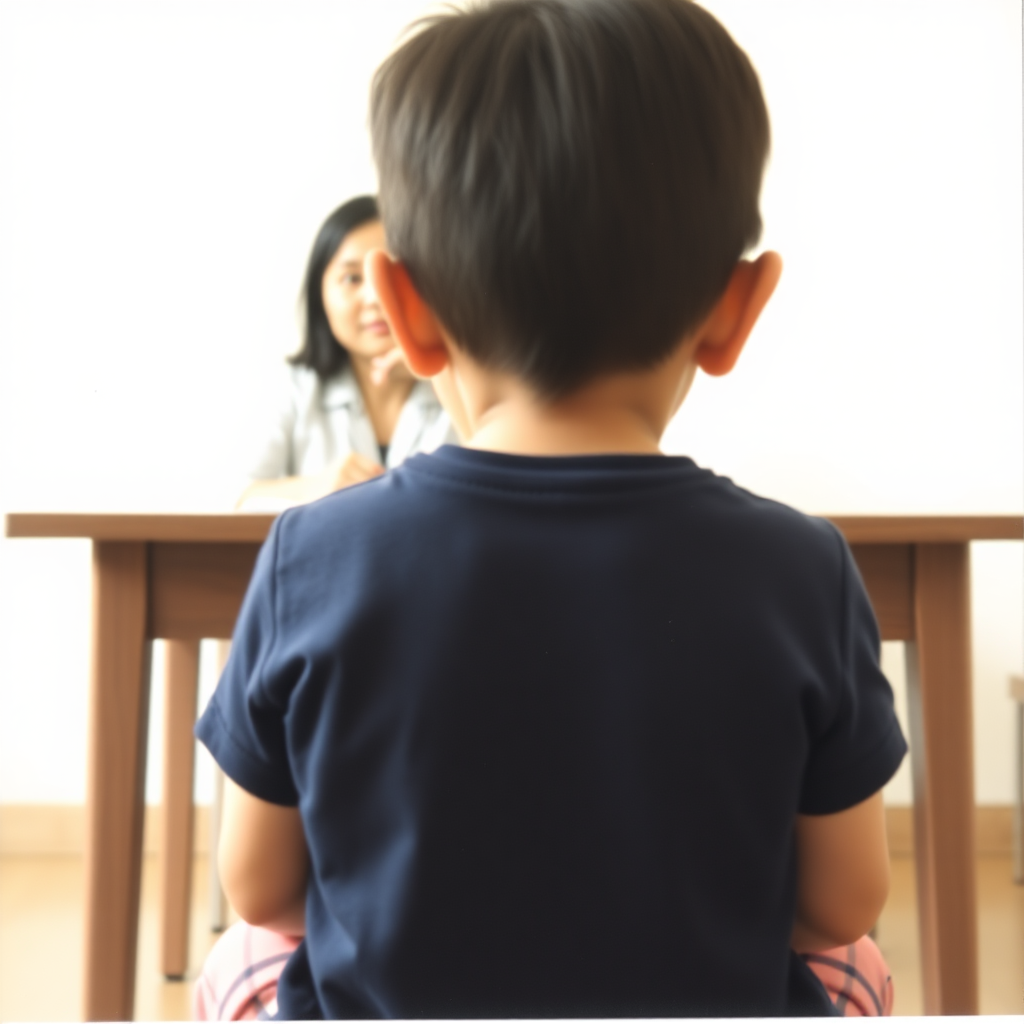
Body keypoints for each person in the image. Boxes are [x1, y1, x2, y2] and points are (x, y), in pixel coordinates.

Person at [194, 0, 907, 1018]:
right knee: (863, 969)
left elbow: (260, 886)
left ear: (406, 312)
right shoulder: (800, 566)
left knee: (236, 958)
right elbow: (842, 902)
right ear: (735, 309)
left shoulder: (313, 552)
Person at [237, 195, 459, 510]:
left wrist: (447, 376)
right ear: (320, 294)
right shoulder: (295, 387)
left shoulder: (467, 381)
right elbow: (238, 497)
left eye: (394, 276)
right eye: (352, 278)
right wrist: (315, 487)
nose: (375, 298)